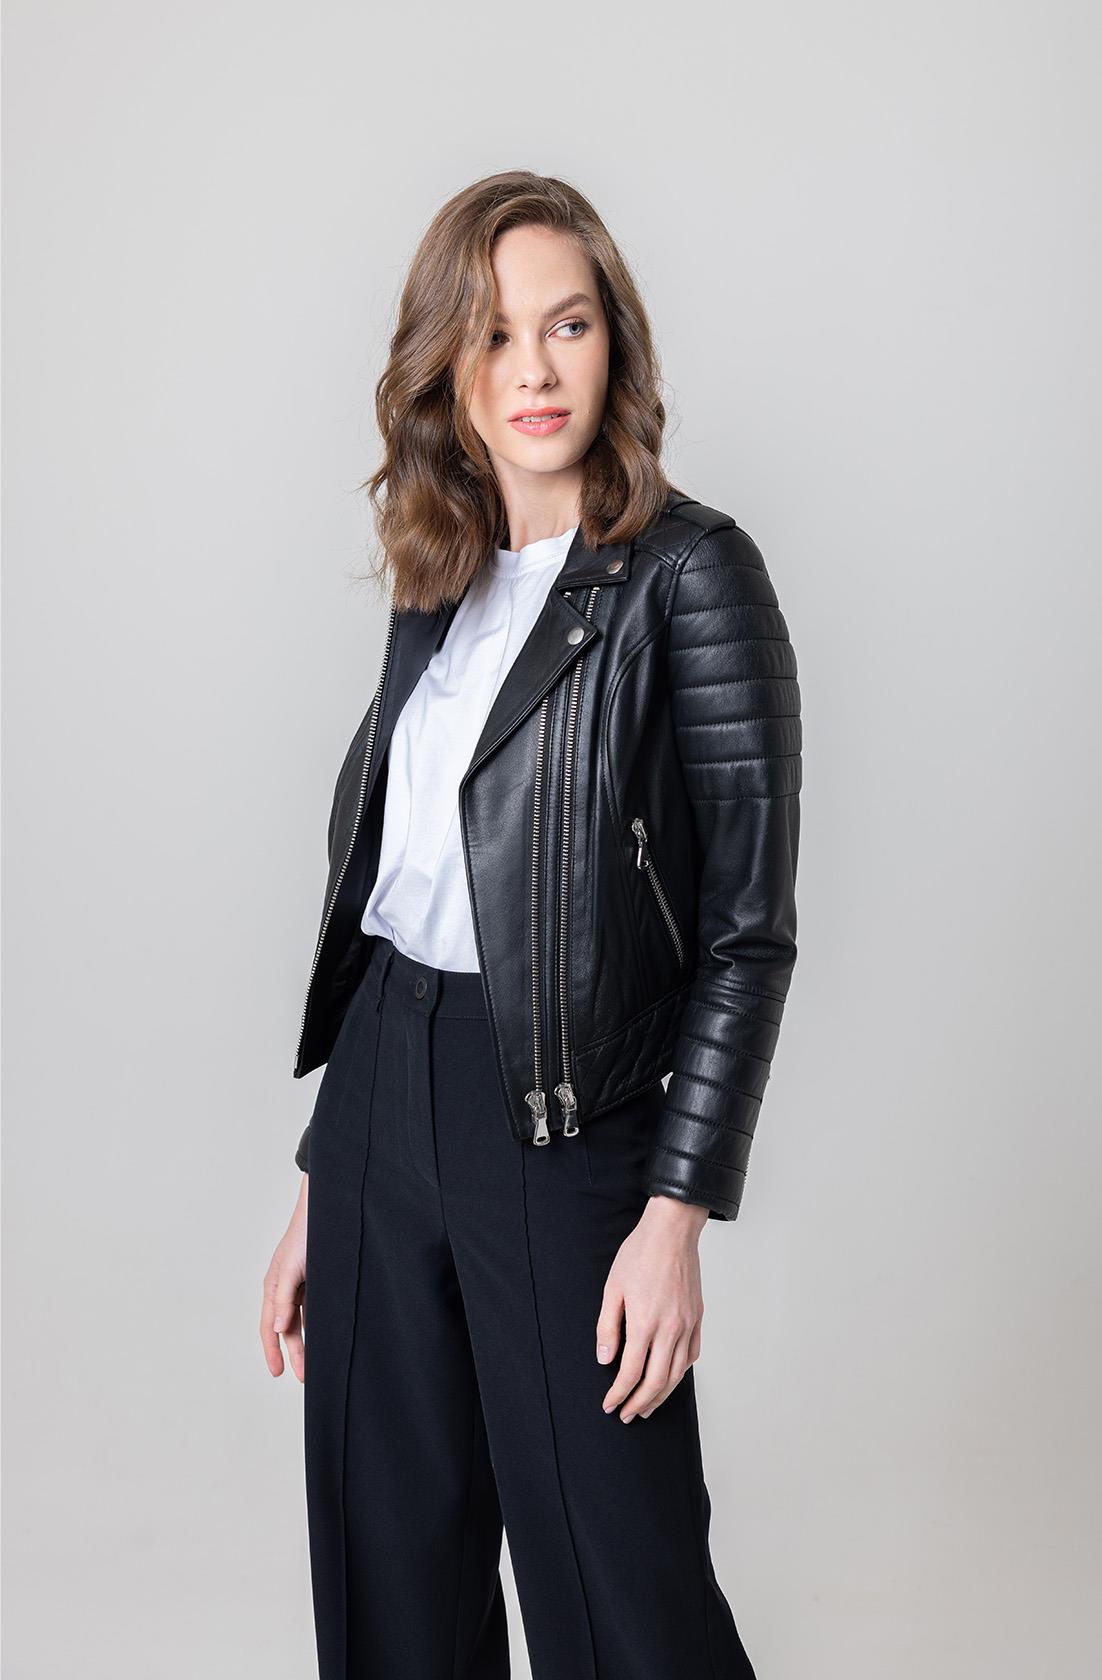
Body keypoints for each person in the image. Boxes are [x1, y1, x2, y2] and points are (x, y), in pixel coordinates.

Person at [260, 169, 801, 1680]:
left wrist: (676, 1215)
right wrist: (323, 1177)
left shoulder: (692, 578)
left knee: (623, 1599)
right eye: (494, 335)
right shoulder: (437, 577)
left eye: (566, 325)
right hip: (382, 1096)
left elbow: (747, 933)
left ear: (614, 342)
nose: (534, 369)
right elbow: (402, 888)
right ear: (449, 366)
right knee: (392, 1578)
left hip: (566, 1130)